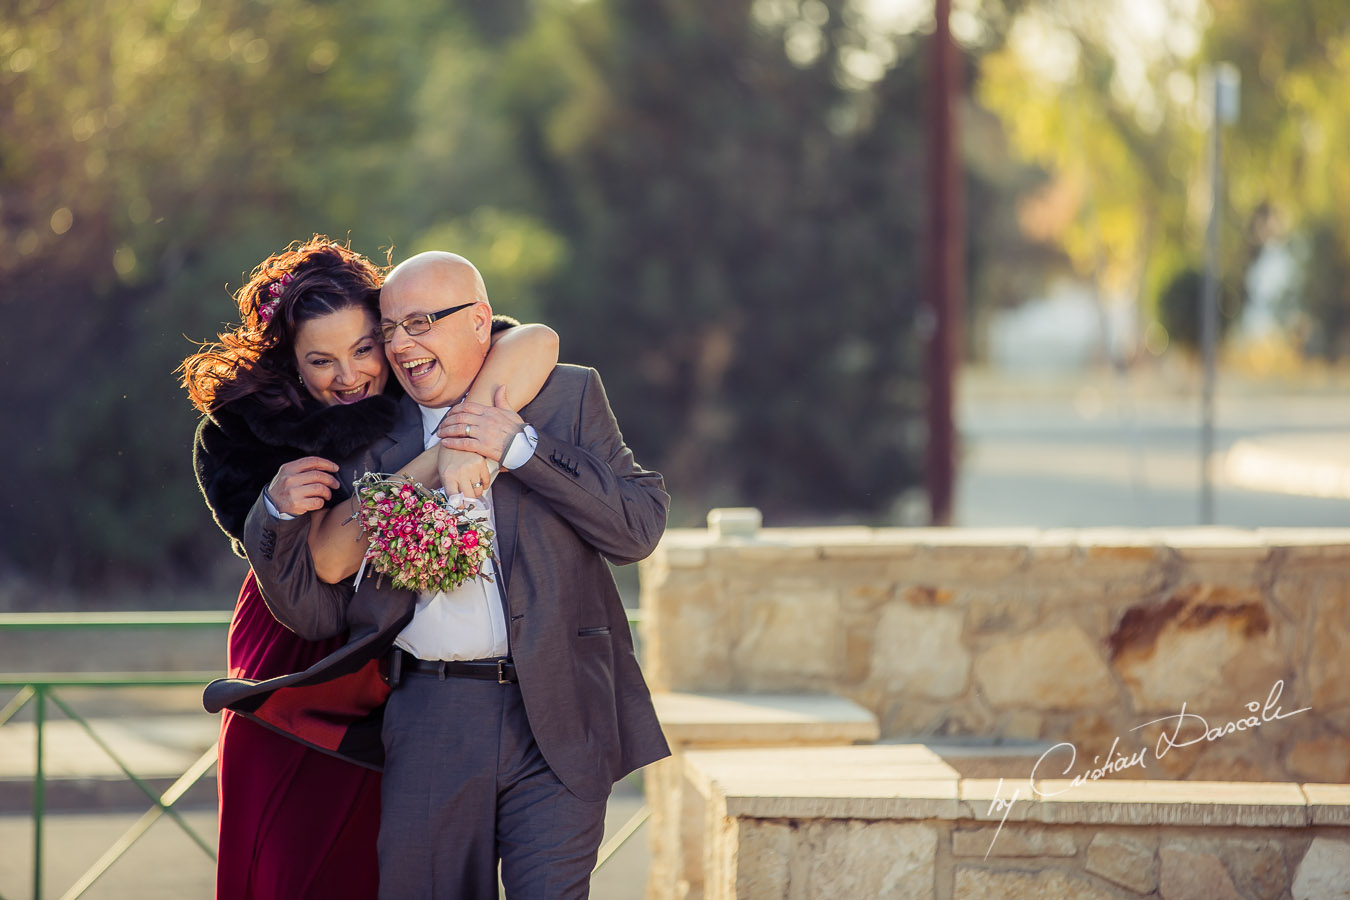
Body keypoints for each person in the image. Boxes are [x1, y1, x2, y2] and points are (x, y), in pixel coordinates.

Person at [205, 250, 670, 899]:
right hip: (429, 713)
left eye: (415, 324)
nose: (397, 347)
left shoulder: (564, 394)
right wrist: (281, 512)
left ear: (480, 322)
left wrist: (517, 447)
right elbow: (318, 602)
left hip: (560, 712)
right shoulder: (363, 439)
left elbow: (638, 528)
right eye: (390, 329)